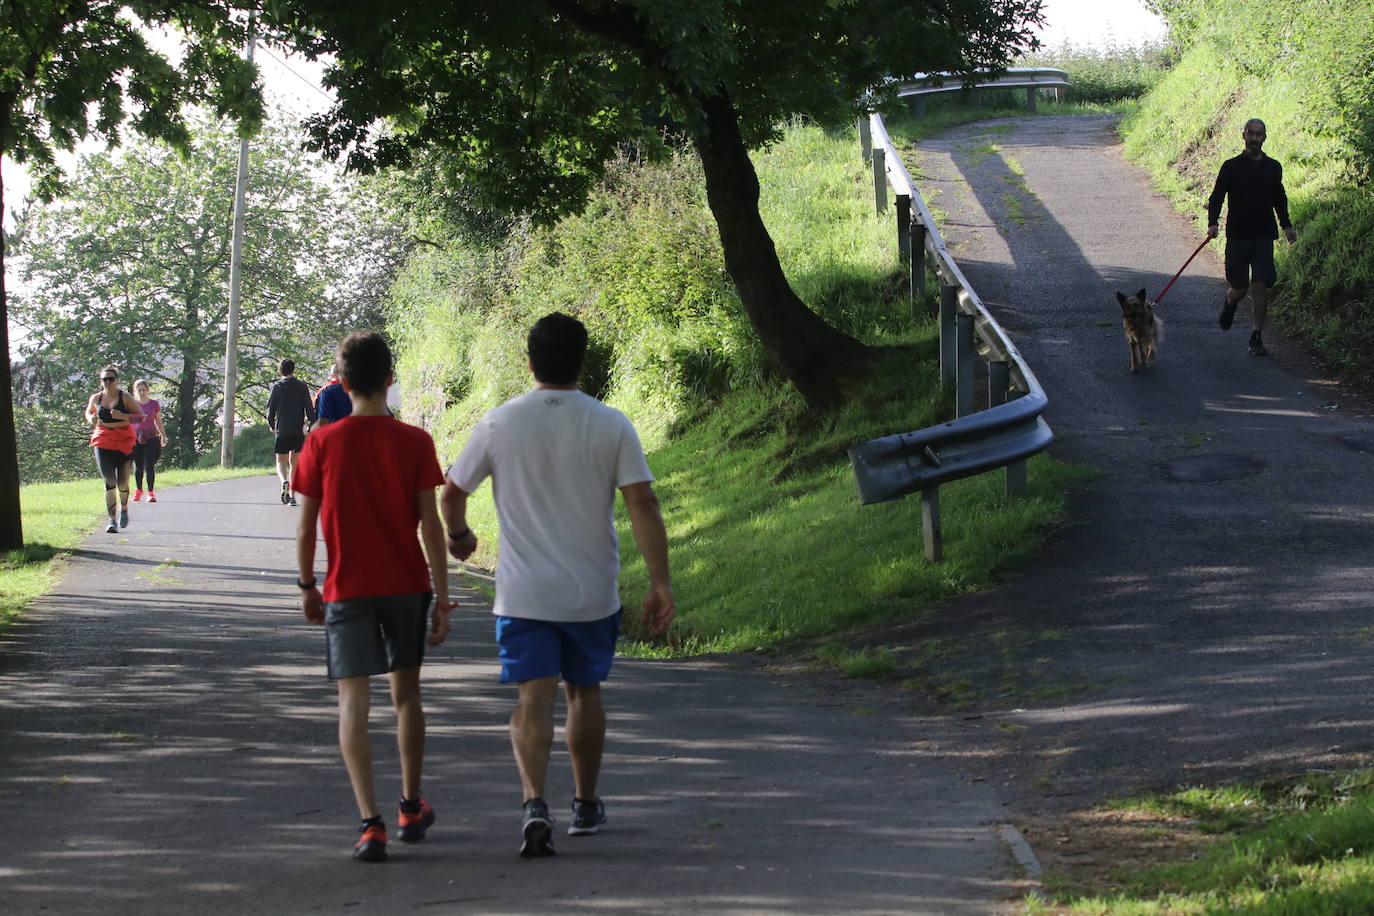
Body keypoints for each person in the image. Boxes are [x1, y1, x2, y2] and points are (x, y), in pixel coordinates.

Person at [441, 312, 674, 858]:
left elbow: (452, 493)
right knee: (583, 694)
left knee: (533, 698)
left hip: (523, 594)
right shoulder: (612, 423)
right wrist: (659, 580)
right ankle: (586, 803)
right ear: (582, 361)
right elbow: (642, 503)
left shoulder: (499, 423)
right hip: (591, 590)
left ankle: (532, 803)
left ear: (530, 363)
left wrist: (459, 536)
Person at [292, 331, 455, 863]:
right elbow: (431, 525)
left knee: (352, 702)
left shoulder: (320, 444)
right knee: (407, 696)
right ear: (390, 379)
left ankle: (371, 824)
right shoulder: (414, 442)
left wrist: (306, 585)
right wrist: (443, 593)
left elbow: (306, 527)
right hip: (407, 585)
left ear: (339, 383)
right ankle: (410, 805)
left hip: (346, 589)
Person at [1207, 117, 1298, 357]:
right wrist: (1212, 223)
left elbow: (1279, 197)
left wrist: (1286, 225)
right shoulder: (1231, 166)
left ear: (1264, 138)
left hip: (1263, 235)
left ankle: (1256, 335)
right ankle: (1230, 302)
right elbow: (1217, 197)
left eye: (1259, 134)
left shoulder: (1273, 167)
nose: (1255, 138)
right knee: (1239, 287)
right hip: (1237, 235)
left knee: (1260, 284)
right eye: (1251, 134)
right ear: (1244, 135)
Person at [85, 365, 143, 534]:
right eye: (105, 379)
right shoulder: (96, 398)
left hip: (124, 441)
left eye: (111, 379)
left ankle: (124, 508)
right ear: (100, 381)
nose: (108, 382)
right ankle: (111, 520)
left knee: (122, 483)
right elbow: (88, 413)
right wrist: (91, 419)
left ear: (117, 381)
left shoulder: (125, 397)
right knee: (109, 480)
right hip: (103, 441)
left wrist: (124, 416)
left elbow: (140, 416)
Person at [266, 358, 318, 506]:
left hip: (282, 430)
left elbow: (271, 411)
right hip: (297, 431)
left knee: (280, 462)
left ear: (280, 371)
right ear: (294, 370)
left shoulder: (277, 387)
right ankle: (293, 497)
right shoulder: (302, 387)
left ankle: (284, 482)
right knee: (294, 465)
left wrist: (272, 425)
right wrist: (309, 426)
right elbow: (310, 409)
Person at [130, 378, 167, 503]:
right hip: (136, 439)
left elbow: (158, 421)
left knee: (149, 465)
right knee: (138, 466)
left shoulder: (153, 404)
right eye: (139, 390)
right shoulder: (132, 404)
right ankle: (138, 490)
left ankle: (150, 492)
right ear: (136, 391)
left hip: (151, 438)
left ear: (148, 390)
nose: (141, 392)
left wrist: (163, 435)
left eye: (144, 390)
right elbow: (127, 421)